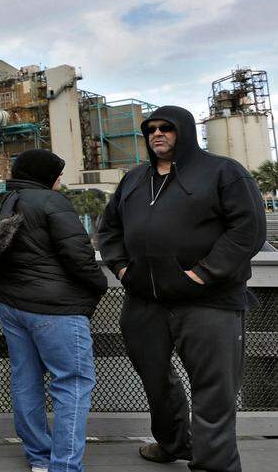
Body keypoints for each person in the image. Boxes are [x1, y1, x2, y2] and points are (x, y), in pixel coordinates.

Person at [98, 106, 266, 472]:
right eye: (152, 129)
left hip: (210, 302)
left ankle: (213, 464)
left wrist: (203, 274)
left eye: (167, 128)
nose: (157, 134)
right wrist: (124, 270)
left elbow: (248, 231)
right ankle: (173, 443)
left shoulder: (223, 172)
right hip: (144, 301)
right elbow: (108, 229)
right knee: (156, 381)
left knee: (213, 391)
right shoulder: (134, 179)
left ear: (185, 132)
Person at [0, 149, 107, 472]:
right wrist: (98, 284)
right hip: (56, 309)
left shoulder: (4, 200)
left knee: (26, 380)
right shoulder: (51, 202)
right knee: (72, 383)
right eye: (57, 175)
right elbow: (79, 256)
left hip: (13, 306)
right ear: (45, 176)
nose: (60, 181)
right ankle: (65, 466)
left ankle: (40, 458)